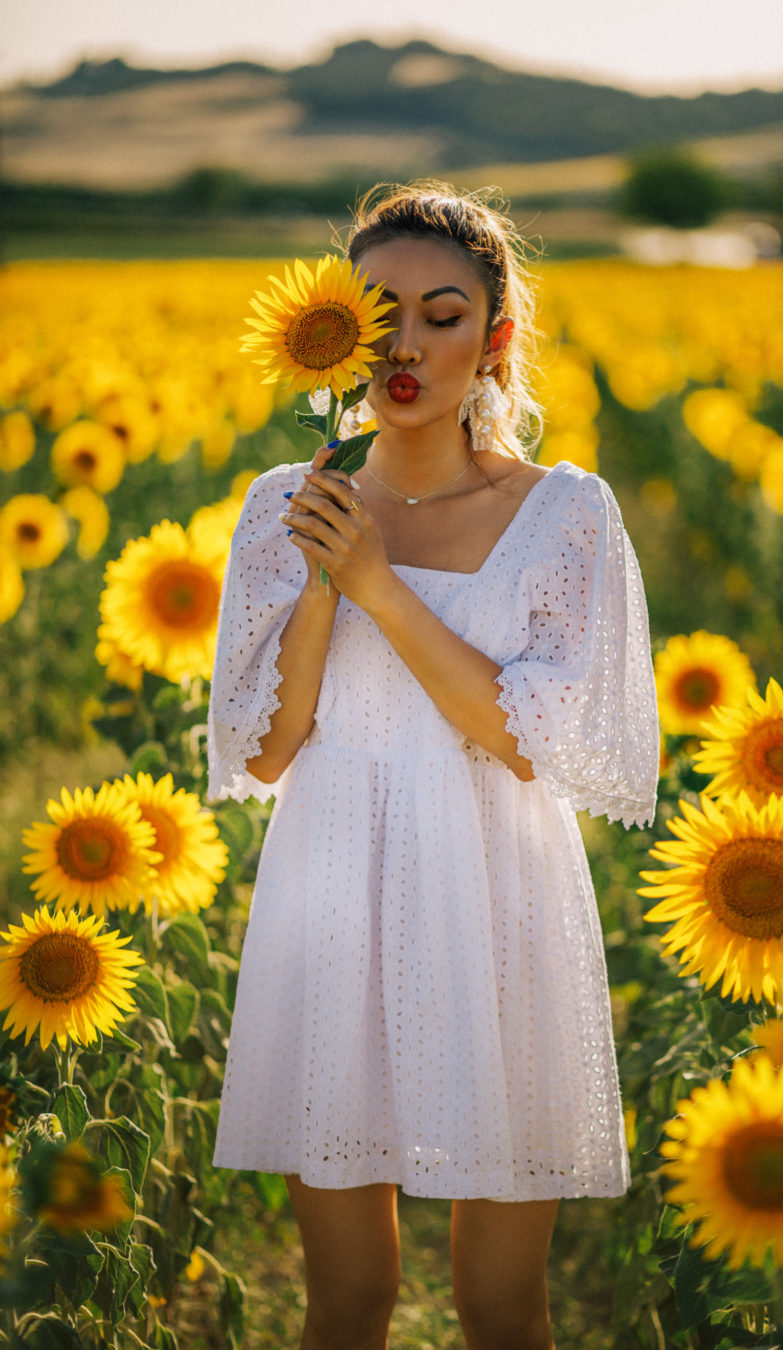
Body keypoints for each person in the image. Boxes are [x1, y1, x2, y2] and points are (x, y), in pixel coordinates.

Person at [207, 182, 659, 1350]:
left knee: (502, 1308)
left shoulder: (565, 515)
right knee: (347, 1301)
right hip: (331, 897)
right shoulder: (282, 508)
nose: (405, 344)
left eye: (444, 315)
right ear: (337, 330)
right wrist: (322, 564)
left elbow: (525, 738)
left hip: (496, 904)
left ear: (496, 338)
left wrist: (374, 585)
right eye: (378, 311)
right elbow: (266, 747)